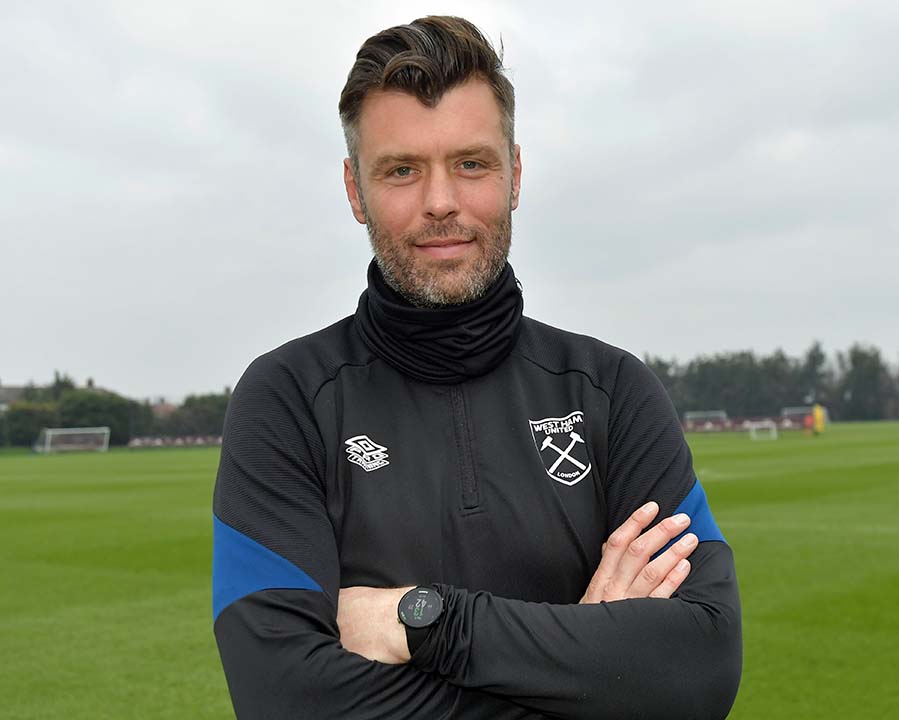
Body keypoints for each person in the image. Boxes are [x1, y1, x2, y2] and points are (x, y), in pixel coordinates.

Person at [212, 15, 741, 719]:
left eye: (471, 163)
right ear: (353, 189)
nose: (441, 202)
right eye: (401, 170)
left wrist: (426, 622)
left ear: (514, 174)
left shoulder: (611, 391)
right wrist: (590, 670)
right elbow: (285, 700)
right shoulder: (288, 400)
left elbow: (700, 667)